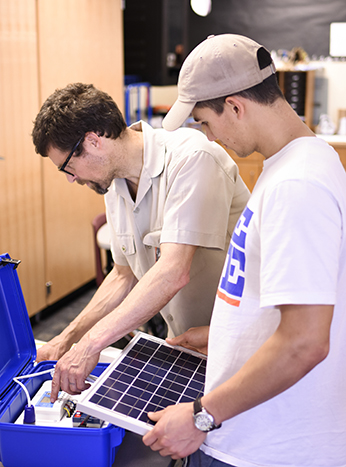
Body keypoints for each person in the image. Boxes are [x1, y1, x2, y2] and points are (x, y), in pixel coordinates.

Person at [141, 34, 346, 466]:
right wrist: (226, 338)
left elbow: (305, 342)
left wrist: (200, 417)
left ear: (235, 106)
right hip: (249, 435)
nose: (208, 137)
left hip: (267, 450)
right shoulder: (292, 167)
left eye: (204, 121)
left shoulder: (298, 185)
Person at [31, 83, 250, 398]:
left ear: (93, 142)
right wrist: (66, 339)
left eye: (67, 167)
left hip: (239, 344)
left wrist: (92, 343)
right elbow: (123, 275)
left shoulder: (192, 158)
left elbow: (174, 270)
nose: (71, 178)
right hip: (188, 350)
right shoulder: (114, 185)